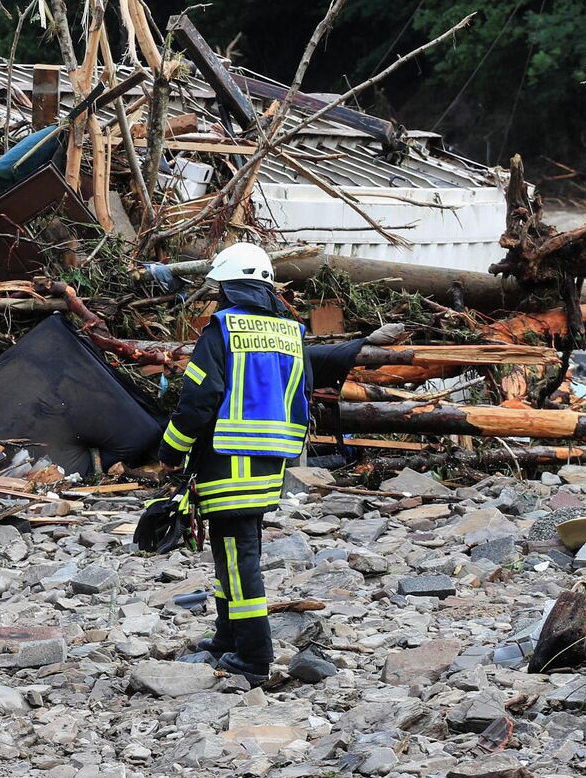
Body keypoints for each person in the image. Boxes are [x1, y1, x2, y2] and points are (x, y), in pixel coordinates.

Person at [155, 242, 404, 686]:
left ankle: (252, 656)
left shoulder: (223, 329)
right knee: (231, 551)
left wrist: (171, 452)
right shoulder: (290, 333)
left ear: (229, 287)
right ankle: (226, 640)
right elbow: (303, 392)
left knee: (238, 556)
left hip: (227, 458)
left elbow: (198, 398)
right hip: (270, 462)